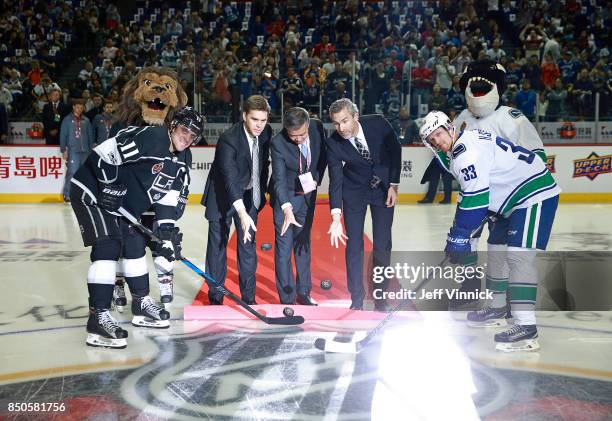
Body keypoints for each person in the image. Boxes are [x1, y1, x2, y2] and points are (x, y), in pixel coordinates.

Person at [419, 111, 560, 352]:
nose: (438, 141)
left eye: (439, 134)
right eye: (432, 139)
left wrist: (460, 235)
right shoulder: (461, 146)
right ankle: (497, 308)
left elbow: (474, 200)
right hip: (505, 202)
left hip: (532, 194)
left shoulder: (465, 153)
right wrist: (459, 234)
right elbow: (468, 197)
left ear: (449, 128)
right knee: (495, 250)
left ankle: (526, 327)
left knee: (518, 257)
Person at [70, 107, 205, 349]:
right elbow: (104, 155)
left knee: (134, 246)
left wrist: (165, 236)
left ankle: (140, 303)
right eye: (185, 130)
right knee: (108, 246)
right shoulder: (153, 138)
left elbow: (167, 199)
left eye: (193, 135)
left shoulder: (182, 158)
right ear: (173, 125)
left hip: (124, 206)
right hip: (92, 193)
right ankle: (97, 318)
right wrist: (108, 186)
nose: (187, 138)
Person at [326, 98, 401, 310]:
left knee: (382, 245)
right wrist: (335, 215)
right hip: (354, 192)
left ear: (355, 116)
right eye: (336, 123)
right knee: (354, 246)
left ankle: (380, 296)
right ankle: (356, 298)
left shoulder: (378, 123)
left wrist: (393, 185)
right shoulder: (333, 143)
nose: (341, 128)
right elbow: (336, 180)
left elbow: (395, 151)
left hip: (384, 190)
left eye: (345, 121)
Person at [202, 95, 272, 305]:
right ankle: (216, 299)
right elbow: (230, 180)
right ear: (244, 116)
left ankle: (249, 299)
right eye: (254, 120)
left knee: (248, 246)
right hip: (222, 196)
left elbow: (263, 166)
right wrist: (242, 213)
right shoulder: (228, 139)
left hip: (250, 196)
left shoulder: (266, 132)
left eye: (263, 120)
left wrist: (259, 198)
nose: (259, 125)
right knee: (218, 247)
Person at [269, 107, 327, 305]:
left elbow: (323, 156)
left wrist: (316, 178)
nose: (298, 139)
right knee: (284, 248)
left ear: (308, 125)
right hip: (286, 197)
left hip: (308, 196)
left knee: (303, 244)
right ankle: (287, 297)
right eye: (293, 136)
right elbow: (278, 179)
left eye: (302, 134)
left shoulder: (318, 128)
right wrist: (286, 208)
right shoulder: (278, 143)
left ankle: (304, 292)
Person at [60, 100, 93, 203]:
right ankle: (67, 194)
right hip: (73, 150)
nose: (80, 109)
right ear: (73, 107)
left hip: (85, 151)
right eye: (78, 107)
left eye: (81, 107)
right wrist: (63, 150)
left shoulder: (86, 120)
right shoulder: (67, 120)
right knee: (72, 172)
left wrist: (90, 150)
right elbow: (63, 135)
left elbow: (90, 136)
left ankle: (84, 195)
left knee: (86, 174)